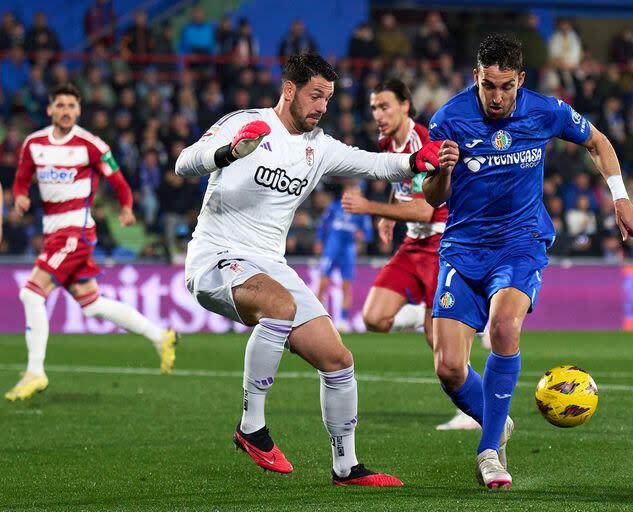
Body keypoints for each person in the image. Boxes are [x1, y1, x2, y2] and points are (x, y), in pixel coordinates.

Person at [175, 53, 441, 486]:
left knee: (337, 359)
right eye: (315, 95)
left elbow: (373, 163)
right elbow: (184, 162)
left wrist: (415, 162)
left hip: (269, 265)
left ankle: (346, 466)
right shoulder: (249, 123)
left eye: (328, 98)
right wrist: (227, 152)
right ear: (289, 90)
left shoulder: (319, 147)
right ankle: (251, 426)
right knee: (279, 306)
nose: (321, 106)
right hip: (216, 257)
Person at [422, 34, 633, 488]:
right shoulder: (448, 119)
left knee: (504, 327)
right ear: (475, 79)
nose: (497, 97)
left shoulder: (547, 110)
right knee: (448, 367)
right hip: (463, 249)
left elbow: (598, 142)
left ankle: (489, 450)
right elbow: (432, 199)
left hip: (520, 243)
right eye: (489, 86)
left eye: (506, 86)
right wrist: (442, 170)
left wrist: (620, 198)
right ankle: (497, 420)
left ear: (520, 80)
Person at [5, 83, 178, 402]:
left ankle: (35, 371)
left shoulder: (91, 145)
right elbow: (21, 179)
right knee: (92, 304)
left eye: (72, 105)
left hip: (75, 232)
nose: (66, 110)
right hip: (53, 231)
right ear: (50, 109)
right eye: (60, 105)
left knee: (31, 293)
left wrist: (126, 206)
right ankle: (160, 335)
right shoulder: (34, 144)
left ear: (79, 111)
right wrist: (19, 198)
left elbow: (118, 180)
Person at [341, 78, 478, 431]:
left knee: (440, 343)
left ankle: (470, 413)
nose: (378, 114)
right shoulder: (388, 143)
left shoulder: (422, 141)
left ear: (405, 105)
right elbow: (402, 189)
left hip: (439, 243)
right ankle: (426, 314)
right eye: (373, 108)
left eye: (384, 106)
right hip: (411, 245)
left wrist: (371, 209)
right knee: (373, 318)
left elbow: (423, 211)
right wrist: (388, 213)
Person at [315, 180, 373, 332]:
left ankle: (343, 320)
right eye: (350, 192)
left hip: (348, 250)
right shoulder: (334, 207)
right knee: (323, 284)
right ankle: (317, 318)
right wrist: (319, 241)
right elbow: (322, 225)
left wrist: (362, 236)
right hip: (331, 248)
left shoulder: (361, 213)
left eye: (355, 192)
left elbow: (369, 234)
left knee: (346, 286)